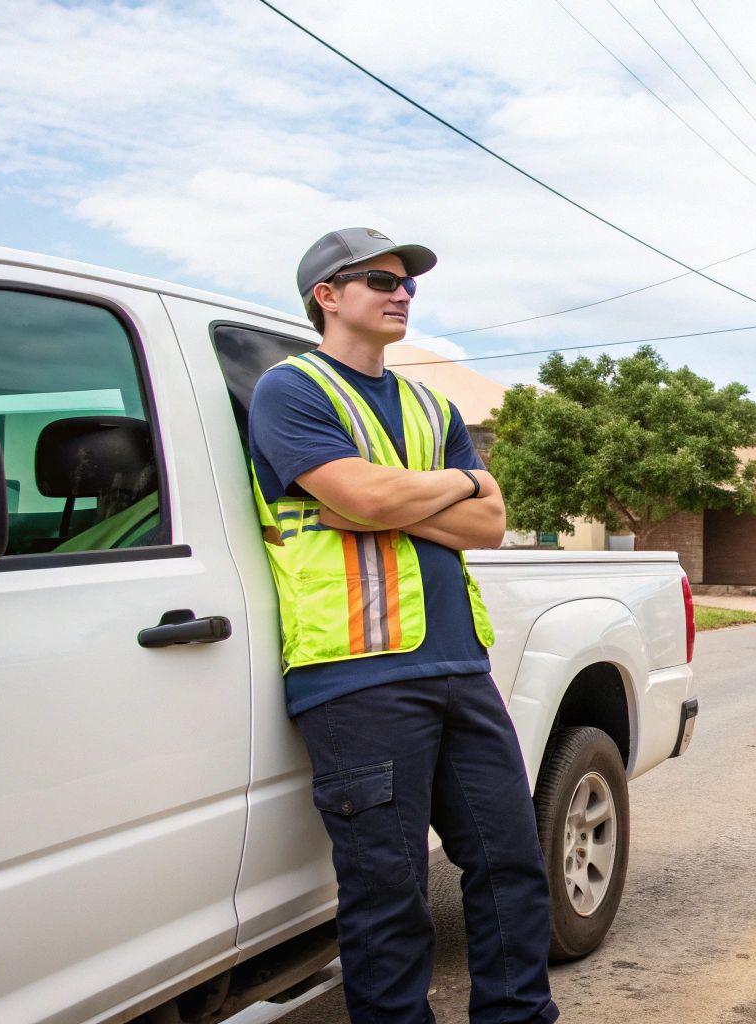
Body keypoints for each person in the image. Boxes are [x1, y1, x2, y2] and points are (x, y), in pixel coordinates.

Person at [249, 228, 560, 1023]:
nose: (404, 293)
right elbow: (375, 500)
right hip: (356, 675)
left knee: (512, 865)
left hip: (459, 665)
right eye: (383, 280)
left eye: (410, 283)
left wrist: (414, 493)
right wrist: (430, 496)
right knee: (388, 890)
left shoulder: (431, 405)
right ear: (327, 294)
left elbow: (487, 522)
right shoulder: (292, 390)